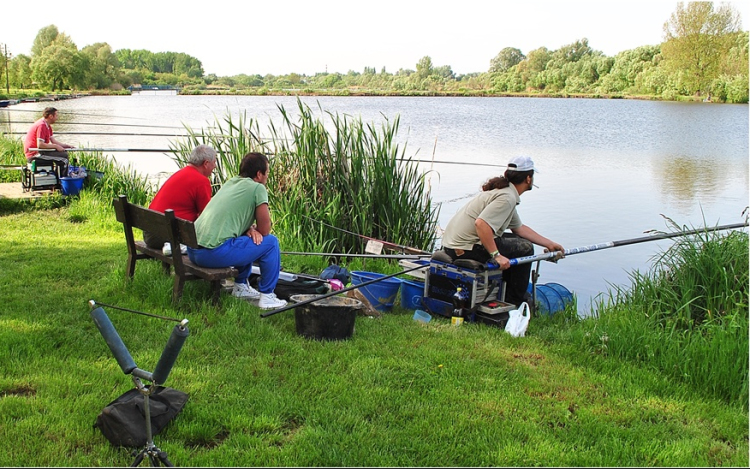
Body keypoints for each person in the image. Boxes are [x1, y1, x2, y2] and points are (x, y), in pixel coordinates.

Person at [439, 155, 565, 308]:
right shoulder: (507, 198)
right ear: (528, 179)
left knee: (519, 243)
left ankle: (505, 294)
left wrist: (550, 244)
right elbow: (481, 224)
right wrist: (496, 255)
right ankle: (515, 302)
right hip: (464, 248)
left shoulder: (505, 193)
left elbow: (519, 229)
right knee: (525, 248)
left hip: (456, 245)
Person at [187, 152, 287, 310]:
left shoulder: (231, 182)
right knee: (271, 243)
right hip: (211, 254)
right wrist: (254, 229)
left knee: (248, 240)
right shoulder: (258, 188)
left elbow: (230, 216)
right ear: (259, 174)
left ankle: (240, 286)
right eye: (267, 173)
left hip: (193, 250)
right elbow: (266, 230)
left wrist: (248, 229)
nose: (267, 177)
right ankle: (267, 296)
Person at [143, 144, 217, 255]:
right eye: (214, 162)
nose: (215, 166)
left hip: (151, 232)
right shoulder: (201, 181)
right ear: (206, 164)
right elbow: (206, 216)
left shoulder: (181, 173)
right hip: (165, 235)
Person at [23, 107, 74, 178]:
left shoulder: (47, 125)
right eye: (56, 115)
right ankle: (62, 182)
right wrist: (56, 146)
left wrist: (66, 146)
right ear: (50, 116)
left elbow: (54, 141)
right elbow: (40, 145)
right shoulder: (42, 125)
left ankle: (57, 178)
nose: (57, 118)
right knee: (64, 159)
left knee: (63, 154)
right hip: (34, 154)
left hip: (40, 152)